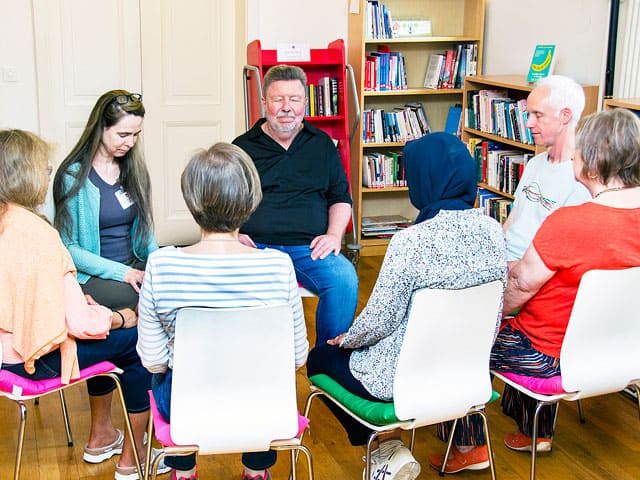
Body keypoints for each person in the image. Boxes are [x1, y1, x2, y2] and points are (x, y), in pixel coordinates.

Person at [430, 108, 640, 473]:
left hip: (551, 359)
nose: (572, 154)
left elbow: (521, 284)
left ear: (593, 161)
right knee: (527, 324)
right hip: (623, 354)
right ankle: (535, 432)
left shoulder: (570, 222)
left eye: (578, 148)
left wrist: (484, 316)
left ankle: (468, 445)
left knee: (455, 338)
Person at [306, 132, 507, 480]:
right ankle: (429, 448)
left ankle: (386, 449)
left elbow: (382, 319)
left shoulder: (410, 242)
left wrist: (348, 339)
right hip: (465, 368)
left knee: (320, 358)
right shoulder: (493, 231)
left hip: (404, 377)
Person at [0, 129, 167, 480]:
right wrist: (120, 317)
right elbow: (83, 326)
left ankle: (102, 435)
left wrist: (73, 301)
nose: (48, 178)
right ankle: (134, 457)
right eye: (44, 170)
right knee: (139, 344)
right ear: (24, 176)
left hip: (5, 355)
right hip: (30, 361)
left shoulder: (6, 225)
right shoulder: (39, 233)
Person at [136, 142, 309, 480]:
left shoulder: (161, 264)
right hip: (263, 405)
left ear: (191, 199)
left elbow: (153, 359)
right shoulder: (277, 265)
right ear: (250, 198)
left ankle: (183, 472)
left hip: (188, 406)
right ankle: (256, 472)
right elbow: (296, 356)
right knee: (264, 376)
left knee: (162, 374)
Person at [232, 64, 358, 346]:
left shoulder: (322, 144)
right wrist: (232, 235)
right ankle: (252, 362)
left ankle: (327, 364)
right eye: (278, 99)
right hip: (256, 249)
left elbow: (340, 197)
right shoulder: (242, 147)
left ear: (305, 103)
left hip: (310, 248)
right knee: (231, 288)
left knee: (344, 281)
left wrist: (334, 235)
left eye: (295, 99)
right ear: (265, 103)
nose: (286, 107)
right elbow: (224, 200)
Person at [53, 89, 158, 311]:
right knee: (145, 299)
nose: (131, 142)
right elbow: (69, 248)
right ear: (101, 128)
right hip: (94, 274)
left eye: (136, 134)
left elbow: (144, 231)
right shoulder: (73, 177)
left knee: (170, 288)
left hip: (133, 263)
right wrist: (124, 273)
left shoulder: (134, 171)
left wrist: (161, 264)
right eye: (123, 135)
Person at [503, 75, 591, 266]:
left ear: (565, 116)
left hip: (528, 270)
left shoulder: (582, 180)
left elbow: (558, 255)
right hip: (504, 261)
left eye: (538, 115)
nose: (528, 124)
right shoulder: (535, 163)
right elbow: (512, 220)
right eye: (529, 115)